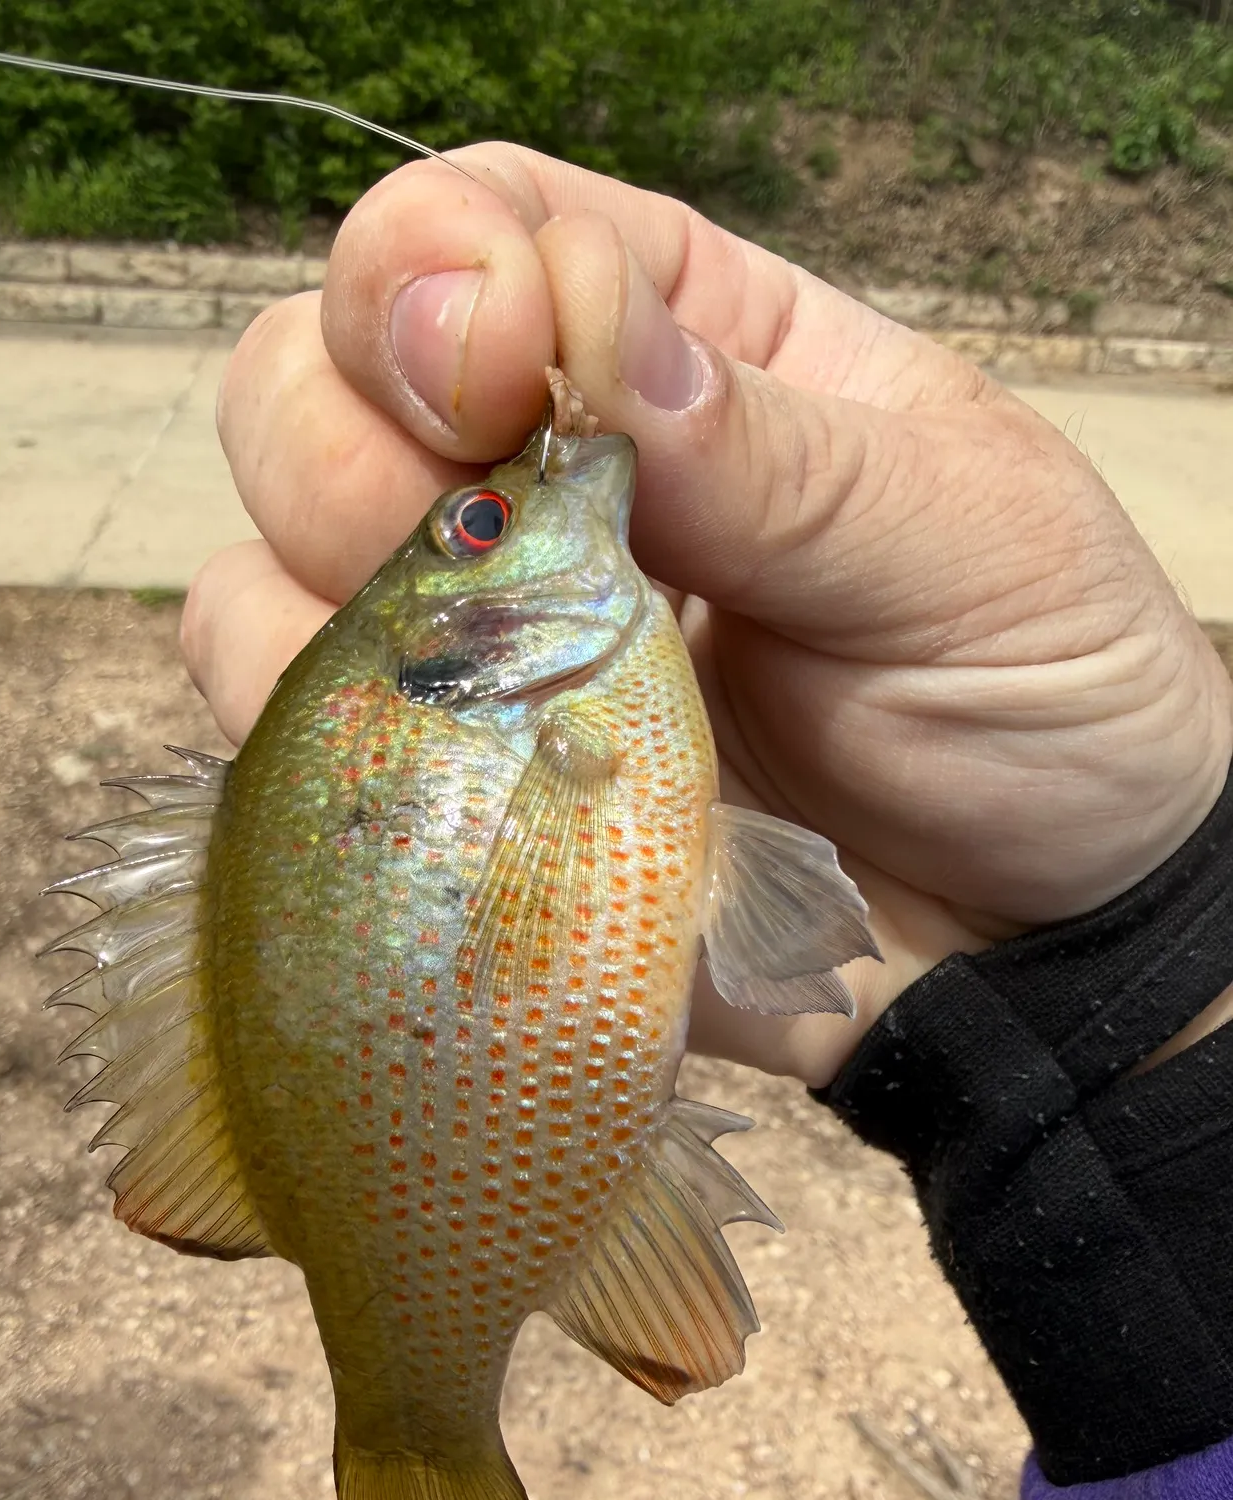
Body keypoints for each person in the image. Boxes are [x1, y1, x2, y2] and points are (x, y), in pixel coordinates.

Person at [179, 142, 1233, 1498]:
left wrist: (1134, 969)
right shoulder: (566, 701)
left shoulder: (574, 694)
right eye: (485, 521)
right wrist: (1142, 964)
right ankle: (411, 1435)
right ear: (467, 643)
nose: (525, 484)